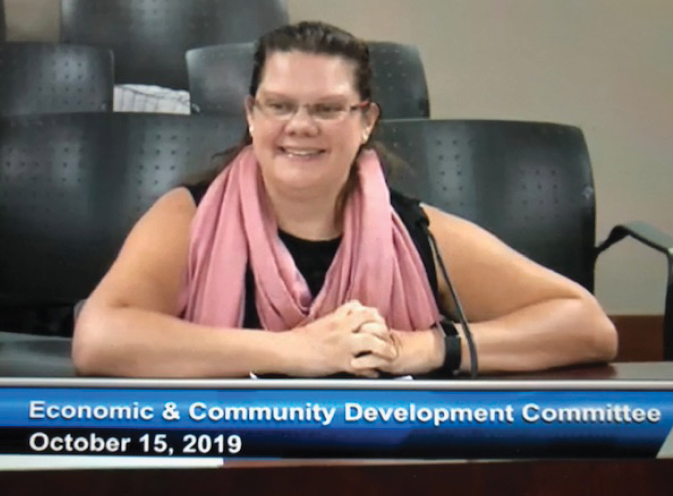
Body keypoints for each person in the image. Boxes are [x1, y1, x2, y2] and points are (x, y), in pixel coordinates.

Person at [72, 21, 617, 378]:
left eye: (328, 109)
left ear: (365, 121)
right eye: (279, 105)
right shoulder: (188, 216)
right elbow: (99, 337)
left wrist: (426, 348)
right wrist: (298, 351)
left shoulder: (415, 232)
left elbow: (587, 325)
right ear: (250, 114)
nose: (300, 127)